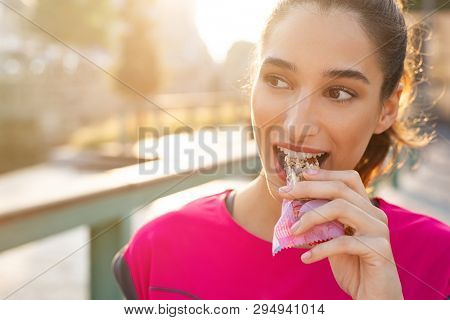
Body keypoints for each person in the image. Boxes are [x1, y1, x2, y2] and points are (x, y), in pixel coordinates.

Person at [112, 0, 450, 300]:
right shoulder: (159, 251)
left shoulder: (437, 263)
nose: (294, 124)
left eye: (339, 93)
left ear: (387, 109)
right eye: (277, 80)